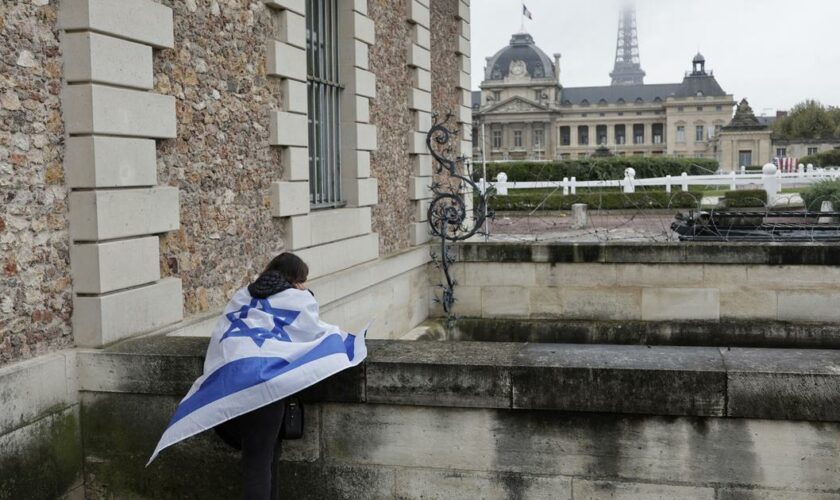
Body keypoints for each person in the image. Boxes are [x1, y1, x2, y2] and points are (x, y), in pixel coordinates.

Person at [148, 252, 369, 500]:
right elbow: (313, 331)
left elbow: (224, 333)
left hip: (232, 384)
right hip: (264, 390)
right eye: (302, 280)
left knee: (265, 459)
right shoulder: (297, 298)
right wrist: (342, 337)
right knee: (259, 465)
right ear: (295, 279)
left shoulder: (242, 296)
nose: (305, 286)